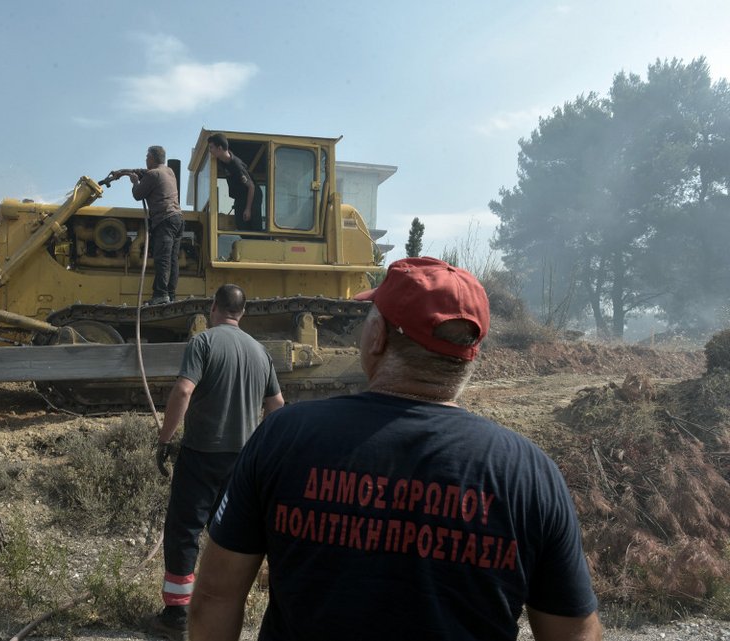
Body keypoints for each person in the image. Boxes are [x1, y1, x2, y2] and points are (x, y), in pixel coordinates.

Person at [190, 257, 602, 641]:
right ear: (470, 355)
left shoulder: (283, 436)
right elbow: (574, 632)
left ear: (377, 336)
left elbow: (215, 598)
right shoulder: (530, 474)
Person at [149, 283, 285, 641]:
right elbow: (277, 407)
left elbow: (183, 389)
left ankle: (177, 614)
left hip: (201, 454)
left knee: (184, 531)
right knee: (232, 534)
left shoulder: (203, 342)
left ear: (213, 307)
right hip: (243, 460)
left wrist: (165, 439)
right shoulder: (260, 352)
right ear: (242, 313)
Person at [110, 145, 183, 305]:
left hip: (164, 220)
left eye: (146, 157)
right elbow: (140, 170)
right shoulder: (168, 171)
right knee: (172, 259)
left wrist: (135, 182)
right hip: (178, 219)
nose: (145, 159)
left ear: (151, 158)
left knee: (162, 258)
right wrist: (121, 173)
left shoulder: (153, 175)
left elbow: (138, 195)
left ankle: (160, 294)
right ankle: (170, 294)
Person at [206, 133, 263, 233]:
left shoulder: (236, 166)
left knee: (253, 226)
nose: (210, 150)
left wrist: (248, 209)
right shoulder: (222, 161)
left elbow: (251, 186)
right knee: (240, 224)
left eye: (211, 147)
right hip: (240, 197)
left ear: (219, 148)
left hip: (252, 196)